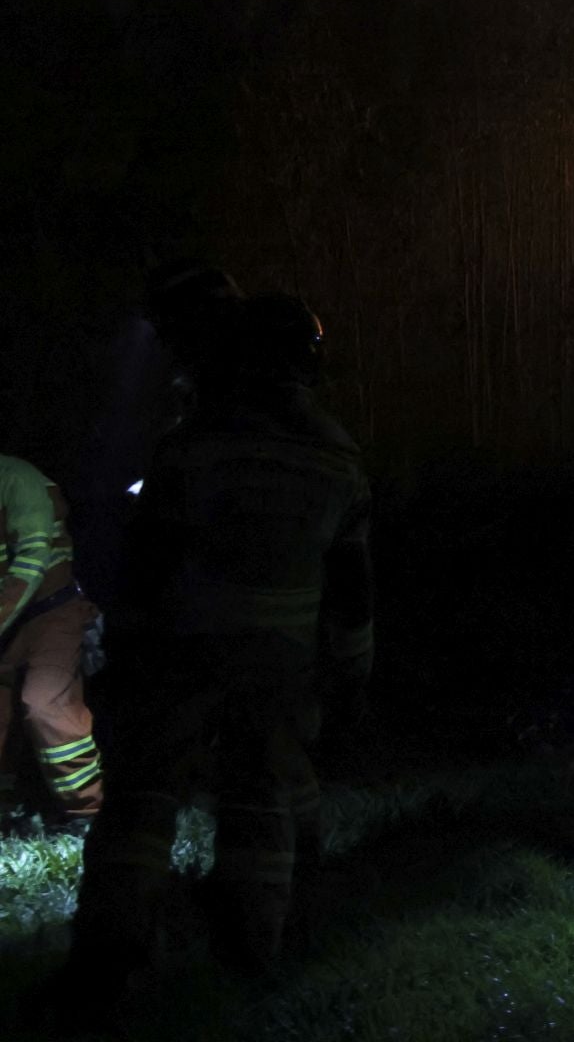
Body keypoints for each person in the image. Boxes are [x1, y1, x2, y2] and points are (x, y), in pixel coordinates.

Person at [65, 292, 373, 992]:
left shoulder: (196, 440)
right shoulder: (337, 453)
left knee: (143, 799)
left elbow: (148, 556)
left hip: (183, 646)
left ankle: (111, 955)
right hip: (277, 661)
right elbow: (351, 585)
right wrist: (350, 675)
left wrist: (125, 642)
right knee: (260, 797)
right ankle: (251, 954)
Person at [0, 454, 104, 829]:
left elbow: (32, 559)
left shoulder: (16, 478)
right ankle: (7, 809)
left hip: (50, 612)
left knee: (46, 705)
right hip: (11, 620)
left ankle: (88, 813)